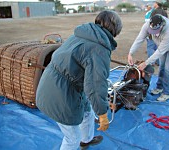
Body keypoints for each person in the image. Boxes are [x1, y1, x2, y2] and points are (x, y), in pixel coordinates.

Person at [36, 10, 122, 150]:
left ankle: (86, 140)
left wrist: (96, 109)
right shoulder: (99, 48)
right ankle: (79, 141)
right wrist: (102, 113)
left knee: (87, 112)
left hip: (51, 84)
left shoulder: (82, 34)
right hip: (61, 94)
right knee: (72, 138)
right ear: (115, 30)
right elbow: (95, 85)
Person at [128, 14, 169, 102]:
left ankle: (166, 93)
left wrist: (146, 63)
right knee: (161, 67)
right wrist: (130, 53)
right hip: (161, 45)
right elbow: (139, 39)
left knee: (167, 69)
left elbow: (160, 51)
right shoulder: (147, 25)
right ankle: (159, 87)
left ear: (162, 26)